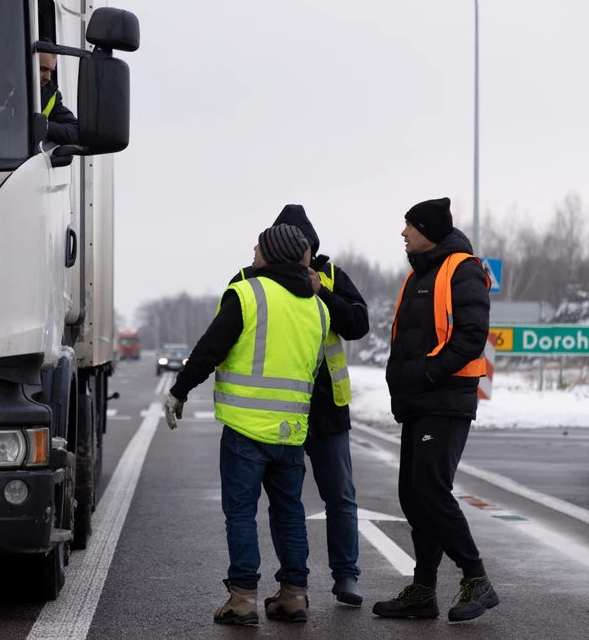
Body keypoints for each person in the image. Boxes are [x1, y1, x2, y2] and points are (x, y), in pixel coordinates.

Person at [165, 223, 330, 626]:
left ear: (272, 254)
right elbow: (314, 368)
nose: (253, 252)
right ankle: (294, 596)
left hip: (245, 428)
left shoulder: (248, 294)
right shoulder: (319, 308)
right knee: (290, 513)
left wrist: (180, 390)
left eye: (259, 247)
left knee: (241, 513)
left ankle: (242, 601)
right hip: (291, 432)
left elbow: (210, 349)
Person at [227, 205, 369, 606]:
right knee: (283, 504)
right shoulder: (249, 279)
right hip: (273, 411)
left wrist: (322, 291)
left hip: (324, 408)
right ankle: (290, 587)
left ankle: (346, 576)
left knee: (339, 495)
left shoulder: (332, 275)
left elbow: (358, 324)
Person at [374, 197, 499, 623]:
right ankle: (423, 591)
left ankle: (476, 578)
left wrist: (427, 375)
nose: (404, 233)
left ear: (429, 229)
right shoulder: (418, 276)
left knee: (430, 489)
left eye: (410, 226)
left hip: (445, 400)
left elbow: (470, 337)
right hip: (419, 402)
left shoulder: (462, 268)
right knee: (414, 495)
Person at [36, 40, 79, 145]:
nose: (48, 77)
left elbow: (75, 131)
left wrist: (42, 126)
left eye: (50, 71)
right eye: (43, 69)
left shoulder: (51, 96)